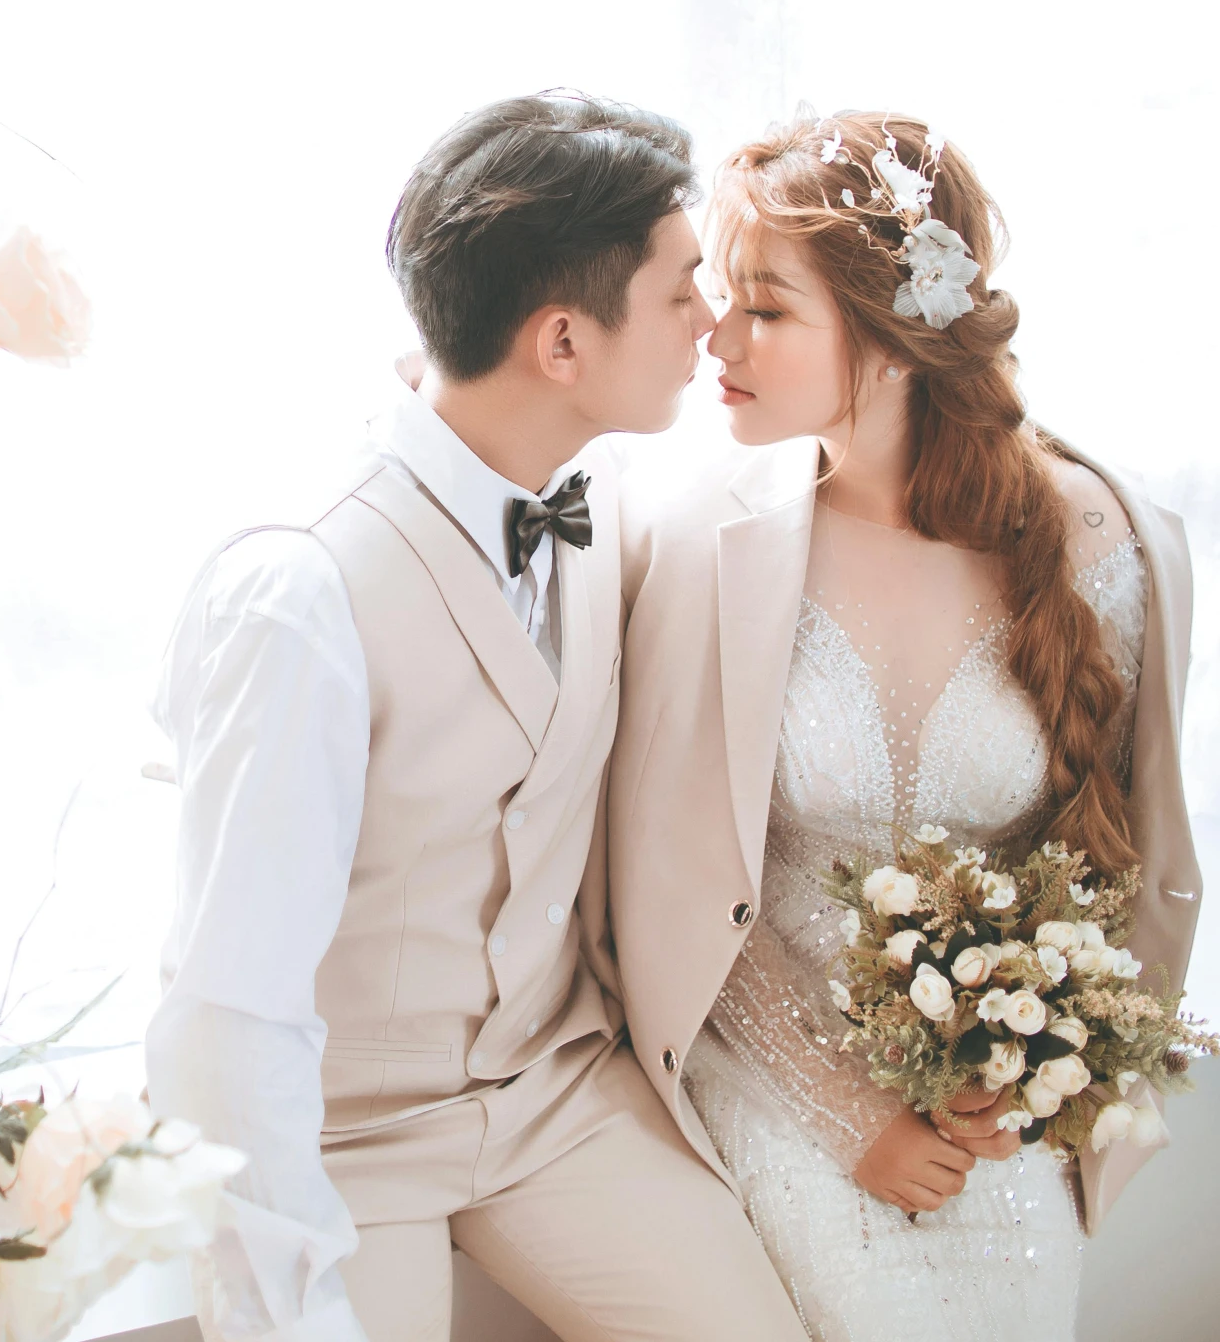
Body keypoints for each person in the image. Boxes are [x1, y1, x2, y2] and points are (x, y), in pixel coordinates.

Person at [144, 91, 806, 1342]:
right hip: (348, 1135)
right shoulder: (298, 593)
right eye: (681, 292)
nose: (710, 322)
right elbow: (225, 1017)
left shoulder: (598, 482)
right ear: (561, 342)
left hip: (552, 1093)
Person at [605, 112, 1201, 1340]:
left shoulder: (1102, 544)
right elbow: (667, 879)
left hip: (991, 1108)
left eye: (764, 309)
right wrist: (844, 1111)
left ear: (890, 336)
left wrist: (1017, 1074)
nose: (716, 340)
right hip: (765, 1059)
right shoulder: (702, 539)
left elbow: (1110, 868)